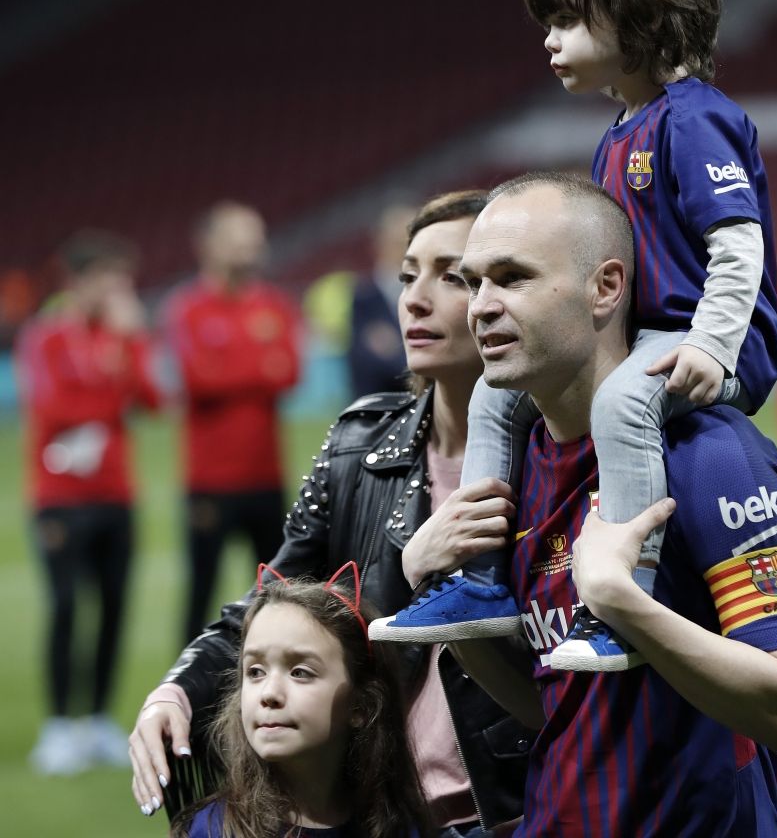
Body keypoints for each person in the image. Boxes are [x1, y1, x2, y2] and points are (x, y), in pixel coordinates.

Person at [379, 0, 777, 671]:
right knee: (496, 397)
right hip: (644, 337)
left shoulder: (696, 121)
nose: (549, 41)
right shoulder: (620, 131)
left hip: (709, 343)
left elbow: (739, 247)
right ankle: (481, 577)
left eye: (566, 20)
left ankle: (626, 599)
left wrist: (711, 343)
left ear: (641, 12)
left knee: (620, 402)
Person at [375, 175, 777, 836]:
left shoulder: (710, 456)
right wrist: (444, 592)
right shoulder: (516, 466)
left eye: (514, 278)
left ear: (606, 287)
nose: (481, 307)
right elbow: (550, 704)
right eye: (473, 283)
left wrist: (622, 601)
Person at [130, 191, 535, 837]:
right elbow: (273, 605)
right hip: (378, 815)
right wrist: (174, 690)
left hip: (514, 814)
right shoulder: (361, 443)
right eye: (407, 276)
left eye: (451, 276)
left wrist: (407, 572)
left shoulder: (560, 461)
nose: (415, 299)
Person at [17, 229, 160, 775]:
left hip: (115, 493)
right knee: (65, 606)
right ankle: (58, 727)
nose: (119, 289)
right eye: (109, 277)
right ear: (77, 281)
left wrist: (132, 346)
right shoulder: (47, 337)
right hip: (60, 497)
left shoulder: (124, 338)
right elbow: (54, 408)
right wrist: (108, 376)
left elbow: (151, 400)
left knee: (115, 606)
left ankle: (97, 719)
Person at [169, 573, 430, 838]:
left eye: (300, 672)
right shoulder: (213, 830)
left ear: (360, 704)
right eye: (255, 672)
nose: (269, 693)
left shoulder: (396, 827)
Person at [163, 202, 302, 645]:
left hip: (266, 476)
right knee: (199, 591)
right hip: (210, 480)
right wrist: (259, 365)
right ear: (208, 245)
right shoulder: (187, 309)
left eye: (255, 236)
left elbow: (290, 373)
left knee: (278, 592)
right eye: (241, 236)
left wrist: (230, 367)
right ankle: (186, 698)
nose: (253, 246)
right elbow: (195, 379)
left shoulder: (274, 304)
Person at [349, 205, 418, 397]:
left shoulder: (433, 291)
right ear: (381, 243)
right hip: (382, 411)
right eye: (401, 241)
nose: (408, 248)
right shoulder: (363, 297)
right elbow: (368, 365)